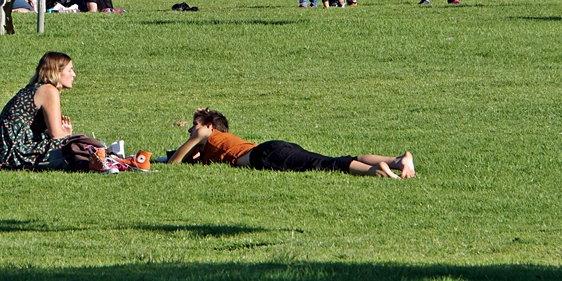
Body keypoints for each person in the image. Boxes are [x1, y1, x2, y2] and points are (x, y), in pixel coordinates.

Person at [167, 108, 415, 178]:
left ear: (209, 126)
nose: (190, 128)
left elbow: (175, 162)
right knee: (328, 159)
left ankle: (376, 172)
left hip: (266, 155)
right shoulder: (212, 146)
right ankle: (396, 161)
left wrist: (195, 138)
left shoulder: (206, 136)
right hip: (272, 149)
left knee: (321, 164)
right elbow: (185, 160)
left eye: (195, 124)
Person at [0, 52, 77, 171]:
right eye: (69, 70)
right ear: (56, 72)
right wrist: (68, 135)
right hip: (13, 154)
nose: (73, 74)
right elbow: (56, 135)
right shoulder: (49, 90)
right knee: (74, 146)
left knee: (70, 144)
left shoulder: (35, 88)